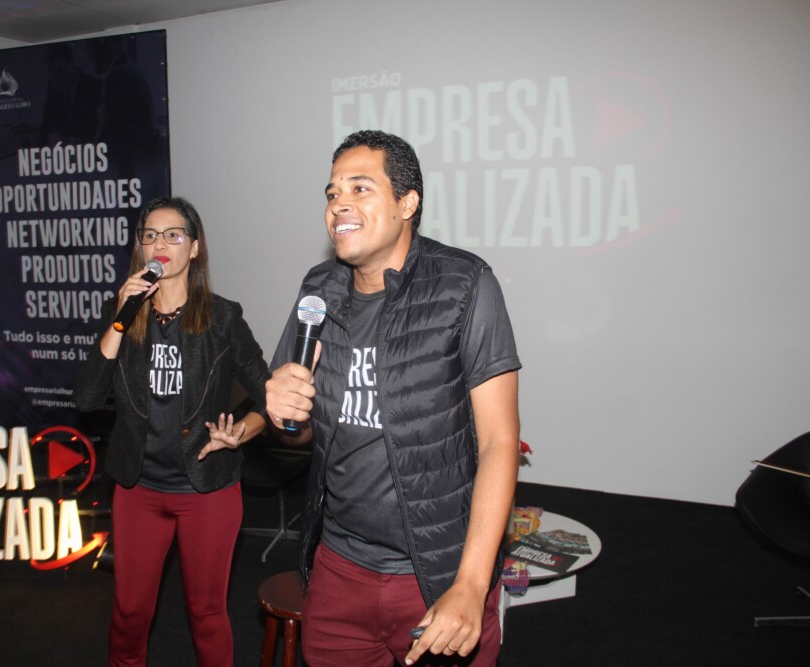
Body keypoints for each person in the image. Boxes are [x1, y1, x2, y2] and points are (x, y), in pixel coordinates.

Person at [265, 130, 521, 667]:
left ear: (408, 203)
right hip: (339, 572)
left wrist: (471, 585)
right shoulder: (317, 290)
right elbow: (302, 436)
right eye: (332, 193)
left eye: (360, 188)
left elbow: (499, 442)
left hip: (438, 575)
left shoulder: (464, 284)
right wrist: (288, 417)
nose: (339, 204)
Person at [74, 196, 269, 667]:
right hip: (139, 488)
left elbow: (269, 397)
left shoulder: (222, 318)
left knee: (206, 614)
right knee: (129, 613)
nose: (160, 243)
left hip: (207, 490)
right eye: (150, 235)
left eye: (173, 234)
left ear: (194, 248)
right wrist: (121, 316)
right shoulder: (122, 313)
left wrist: (241, 432)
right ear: (141, 249)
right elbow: (86, 398)